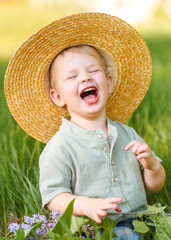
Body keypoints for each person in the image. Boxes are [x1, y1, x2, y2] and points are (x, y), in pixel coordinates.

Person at [4, 13, 165, 239]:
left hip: (141, 221)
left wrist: (151, 167)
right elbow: (54, 197)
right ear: (58, 97)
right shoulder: (60, 147)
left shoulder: (127, 133)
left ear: (108, 83)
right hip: (93, 227)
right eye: (72, 77)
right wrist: (86, 205)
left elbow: (154, 186)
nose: (85, 78)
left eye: (93, 71)